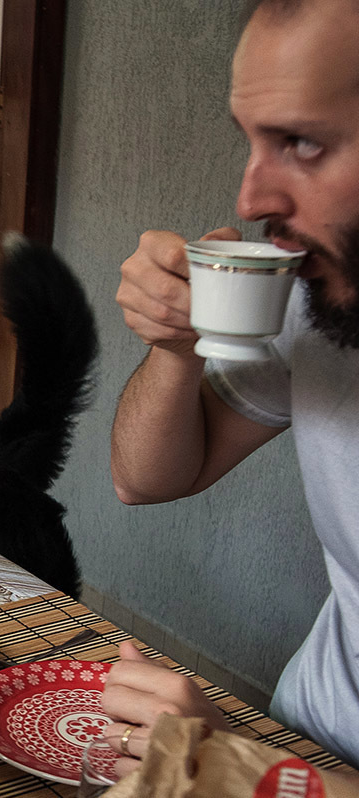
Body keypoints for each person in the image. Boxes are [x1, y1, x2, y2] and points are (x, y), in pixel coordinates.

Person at [105, 0, 359, 769]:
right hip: (303, 735)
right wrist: (178, 349)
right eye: (252, 141)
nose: (250, 201)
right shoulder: (327, 299)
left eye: (302, 143)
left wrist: (246, 772)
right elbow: (145, 479)